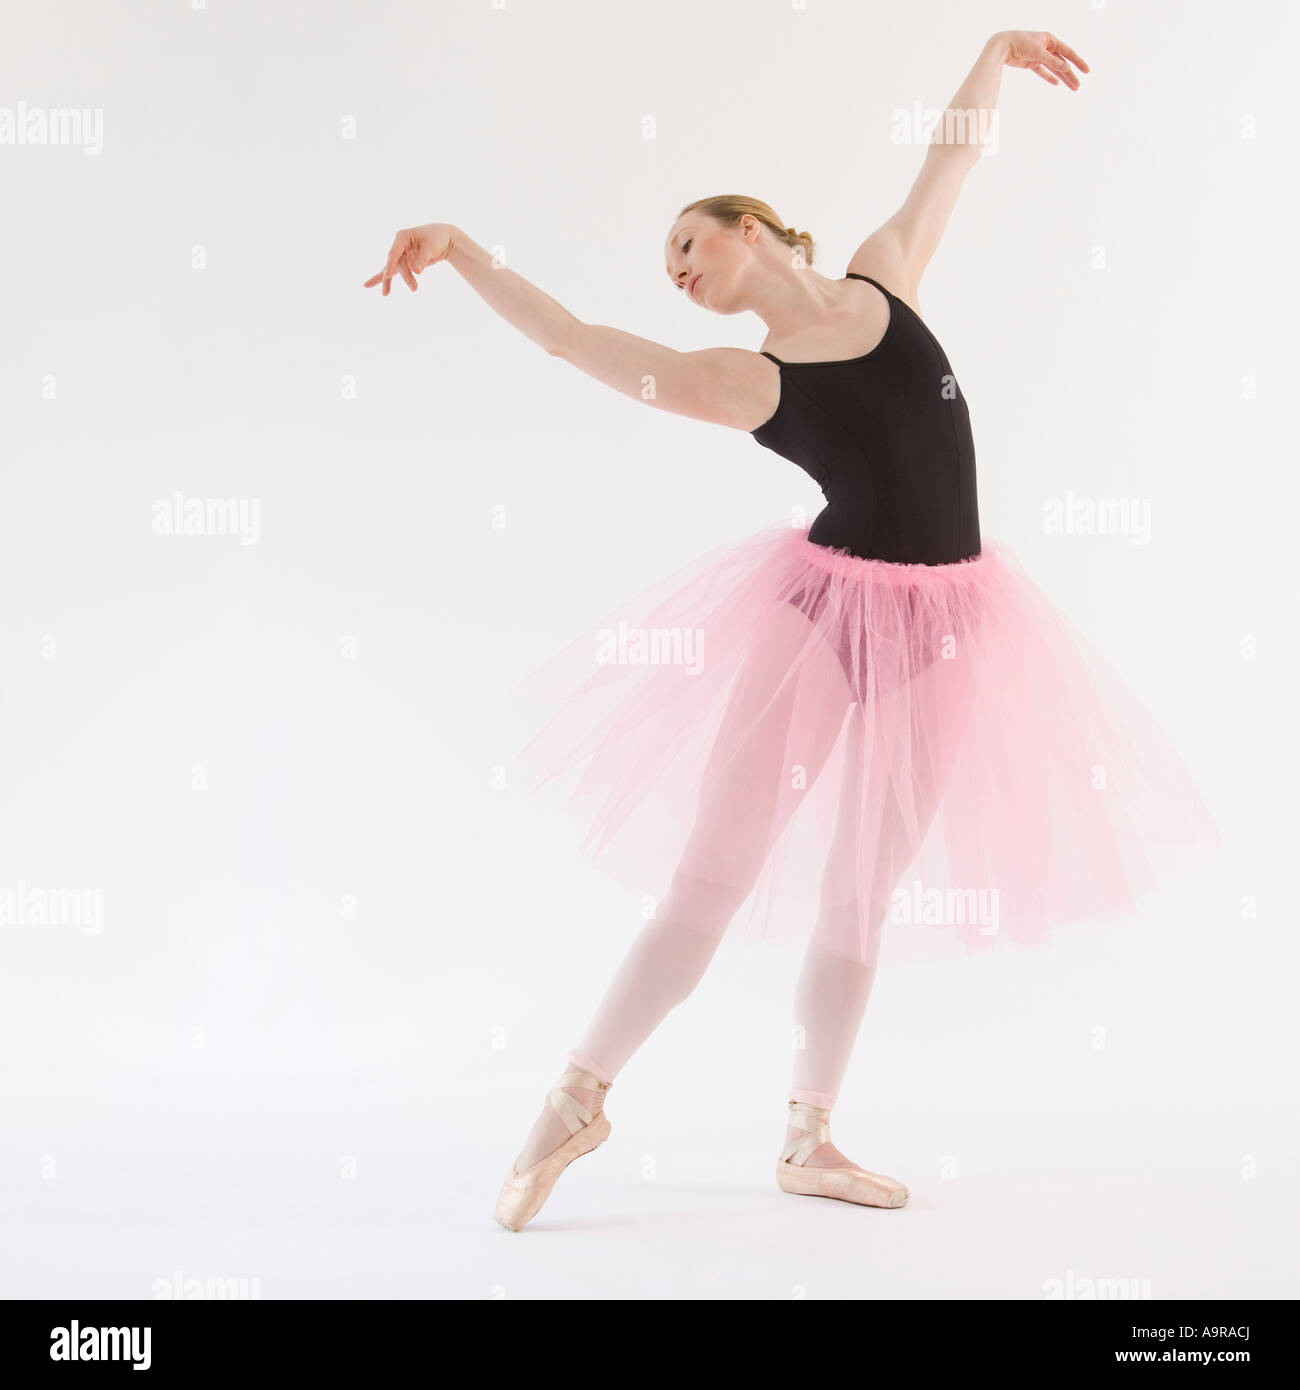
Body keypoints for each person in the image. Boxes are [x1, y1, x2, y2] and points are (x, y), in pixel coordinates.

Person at [366, 30, 1217, 1233]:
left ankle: (809, 1138)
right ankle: (574, 1098)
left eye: (687, 244)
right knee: (712, 870)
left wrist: (991, 52)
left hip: (956, 618)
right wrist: (460, 250)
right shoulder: (746, 380)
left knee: (862, 890)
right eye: (667, 265)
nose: (675, 270)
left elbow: (950, 162)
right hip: (820, 617)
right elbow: (575, 342)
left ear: (750, 229)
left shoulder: (884, 279)